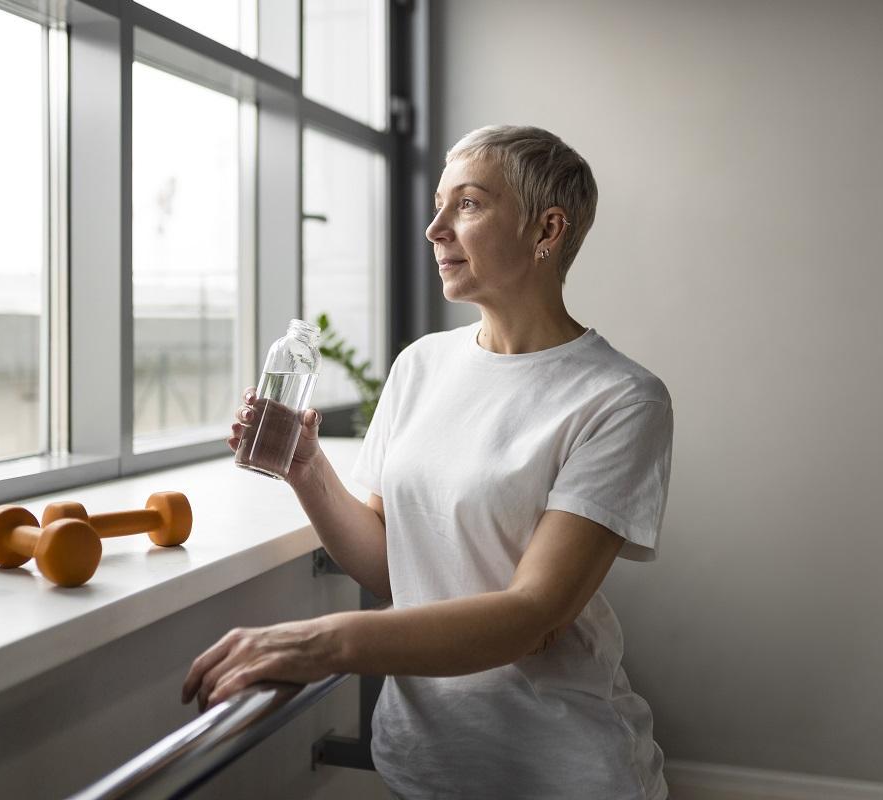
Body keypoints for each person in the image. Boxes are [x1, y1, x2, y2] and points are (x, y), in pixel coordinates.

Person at [181, 125, 674, 800]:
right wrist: (306, 467)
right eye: (438, 205)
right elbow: (394, 566)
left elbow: (533, 616)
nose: (434, 229)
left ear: (547, 230)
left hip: (557, 772)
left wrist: (321, 643)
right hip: (423, 761)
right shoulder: (421, 366)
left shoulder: (620, 398)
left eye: (467, 205)